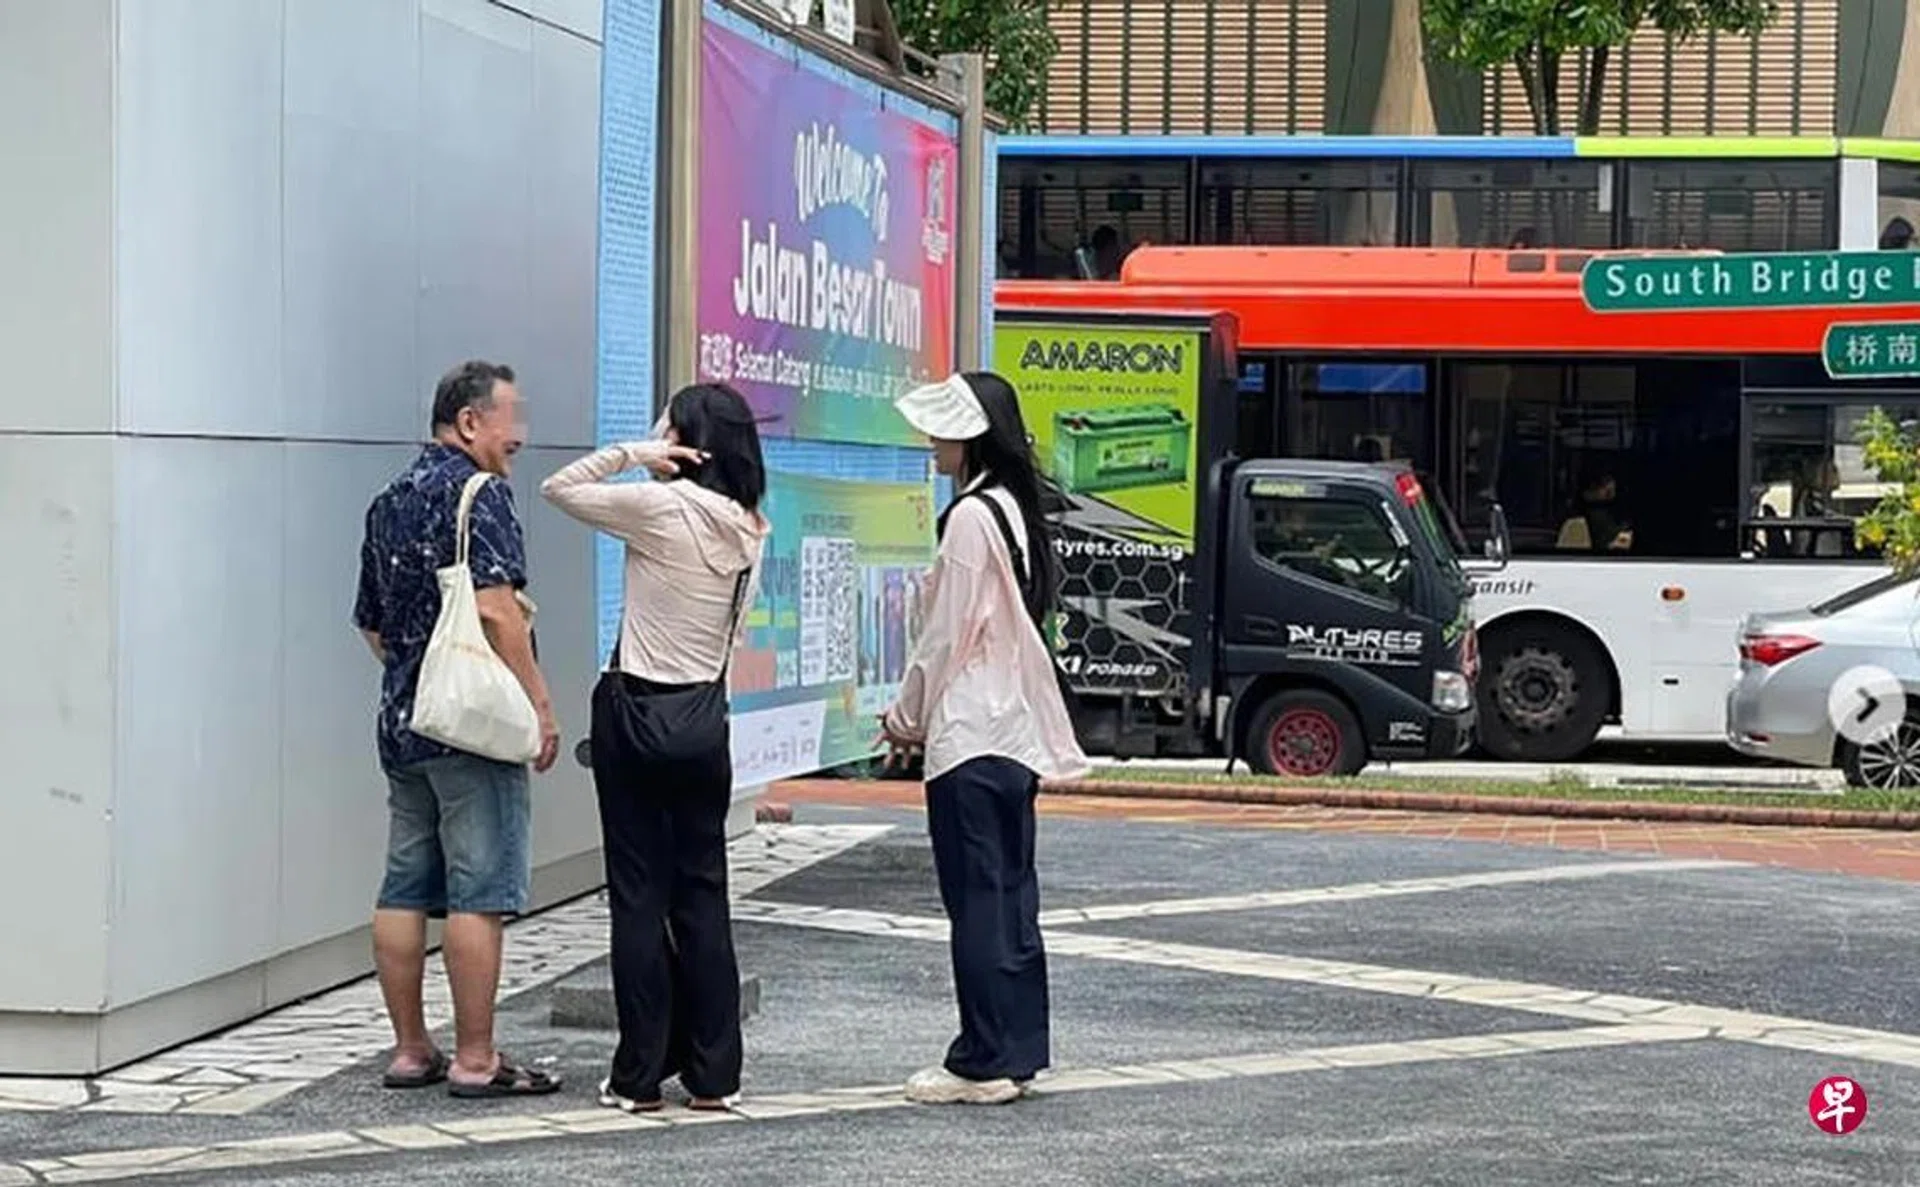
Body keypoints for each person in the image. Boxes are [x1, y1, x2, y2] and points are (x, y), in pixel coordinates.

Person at [540, 382, 770, 1114]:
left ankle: (639, 1074)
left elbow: (559, 487)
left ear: (685, 441)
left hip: (635, 712)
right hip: (703, 719)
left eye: (665, 425)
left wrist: (635, 455)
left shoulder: (661, 507)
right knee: (703, 893)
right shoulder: (750, 527)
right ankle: (714, 1073)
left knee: (639, 896)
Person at [881, 372, 1091, 1106]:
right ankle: (1017, 1049)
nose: (932, 442)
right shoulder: (1014, 509)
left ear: (969, 436)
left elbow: (946, 634)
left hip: (968, 734)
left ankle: (982, 1059)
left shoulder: (970, 516)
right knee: (1009, 900)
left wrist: (905, 715)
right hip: (1013, 735)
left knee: (975, 903)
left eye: (942, 430)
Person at [353, 359, 562, 1099]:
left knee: (404, 884)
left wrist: (420, 674)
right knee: (478, 890)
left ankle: (412, 1050)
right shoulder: (481, 493)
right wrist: (539, 705)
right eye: (511, 418)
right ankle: (477, 1058)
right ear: (470, 422)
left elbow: (372, 625)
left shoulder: (388, 501)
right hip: (472, 730)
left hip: (404, 722)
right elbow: (499, 611)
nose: (520, 435)